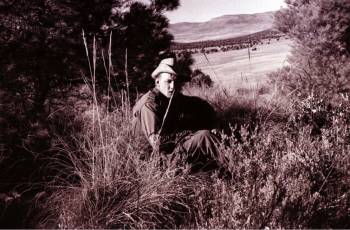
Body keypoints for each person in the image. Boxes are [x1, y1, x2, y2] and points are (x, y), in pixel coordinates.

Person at [132, 57, 228, 173]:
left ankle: (225, 169)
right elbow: (158, 144)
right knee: (204, 137)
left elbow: (200, 105)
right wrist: (188, 134)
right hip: (156, 164)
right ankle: (239, 171)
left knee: (205, 130)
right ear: (157, 82)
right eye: (168, 81)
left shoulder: (170, 97)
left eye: (175, 82)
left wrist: (213, 123)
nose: (172, 86)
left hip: (170, 154)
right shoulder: (150, 105)